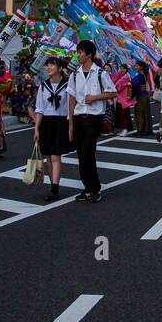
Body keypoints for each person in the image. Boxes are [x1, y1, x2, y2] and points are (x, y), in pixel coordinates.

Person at [67, 40, 116, 202]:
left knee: (88, 151)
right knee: (81, 154)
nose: (78, 55)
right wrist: (71, 124)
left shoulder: (101, 73)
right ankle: (87, 188)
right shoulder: (74, 75)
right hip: (78, 117)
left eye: (81, 52)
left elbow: (112, 93)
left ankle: (95, 188)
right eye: (77, 51)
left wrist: (95, 97)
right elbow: (72, 99)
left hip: (94, 118)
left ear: (89, 54)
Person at [31, 57, 69, 201]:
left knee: (55, 155)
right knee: (48, 156)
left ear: (60, 68)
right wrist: (36, 129)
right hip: (46, 123)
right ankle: (53, 185)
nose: (48, 68)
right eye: (48, 65)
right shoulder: (43, 86)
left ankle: (55, 188)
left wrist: (71, 125)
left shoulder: (67, 84)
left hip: (61, 122)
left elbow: (71, 105)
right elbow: (39, 109)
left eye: (52, 65)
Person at [131, 61, 153, 135]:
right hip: (142, 95)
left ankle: (142, 130)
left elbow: (134, 84)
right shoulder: (142, 74)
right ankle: (144, 129)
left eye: (137, 66)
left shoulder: (141, 75)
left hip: (141, 95)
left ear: (141, 67)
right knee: (143, 112)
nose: (135, 67)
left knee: (140, 113)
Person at [112, 63, 134, 132]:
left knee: (123, 114)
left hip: (123, 97)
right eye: (121, 68)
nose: (121, 70)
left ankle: (125, 129)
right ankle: (129, 127)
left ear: (126, 69)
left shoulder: (125, 77)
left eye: (123, 68)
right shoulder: (125, 76)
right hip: (123, 97)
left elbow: (118, 87)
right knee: (125, 114)